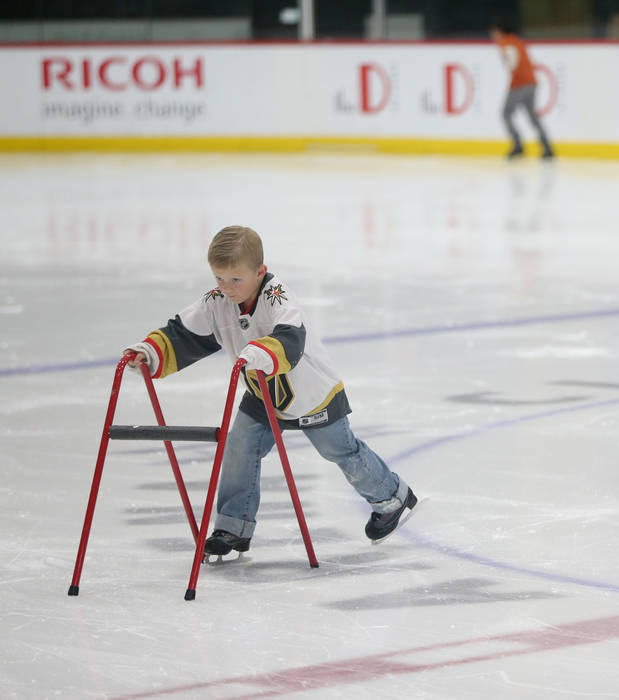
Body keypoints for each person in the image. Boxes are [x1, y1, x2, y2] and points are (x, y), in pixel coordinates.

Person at [125, 226, 417, 554]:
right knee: (240, 447)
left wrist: (263, 352)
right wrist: (150, 351)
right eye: (219, 278)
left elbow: (290, 335)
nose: (226, 288)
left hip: (311, 393)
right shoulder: (217, 301)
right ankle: (232, 527)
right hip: (263, 394)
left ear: (259, 271)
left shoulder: (277, 294)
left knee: (339, 450)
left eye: (236, 279)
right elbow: (183, 333)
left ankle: (393, 498)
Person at [489, 17, 554, 160]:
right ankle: (547, 147)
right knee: (532, 116)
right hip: (531, 82)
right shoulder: (517, 40)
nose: (492, 35)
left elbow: (512, 62)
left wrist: (509, 66)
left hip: (520, 84)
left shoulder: (505, 43)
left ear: (499, 31)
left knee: (506, 114)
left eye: (494, 32)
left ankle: (518, 145)